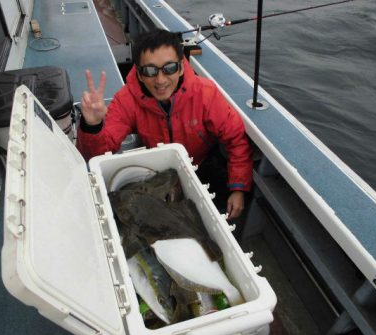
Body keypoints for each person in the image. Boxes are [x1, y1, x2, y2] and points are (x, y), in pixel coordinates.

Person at [77, 29, 253, 219]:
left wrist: (238, 188)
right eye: (150, 71)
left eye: (169, 68)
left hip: (201, 164)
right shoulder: (126, 100)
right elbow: (98, 156)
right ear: (139, 74)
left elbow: (235, 139)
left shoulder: (206, 93)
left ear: (182, 67)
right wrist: (92, 125)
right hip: (156, 174)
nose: (160, 80)